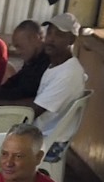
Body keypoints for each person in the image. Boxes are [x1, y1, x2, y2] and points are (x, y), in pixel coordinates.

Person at [29, 12, 88, 161]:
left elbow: (33, 111)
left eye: (59, 35)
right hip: (40, 134)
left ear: (71, 39)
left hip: (48, 142)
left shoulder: (68, 73)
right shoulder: (57, 65)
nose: (50, 39)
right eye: (49, 33)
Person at [0, 20, 49, 104]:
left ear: (35, 38)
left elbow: (21, 92)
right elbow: (13, 82)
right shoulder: (33, 60)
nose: (17, 52)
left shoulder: (47, 63)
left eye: (19, 46)